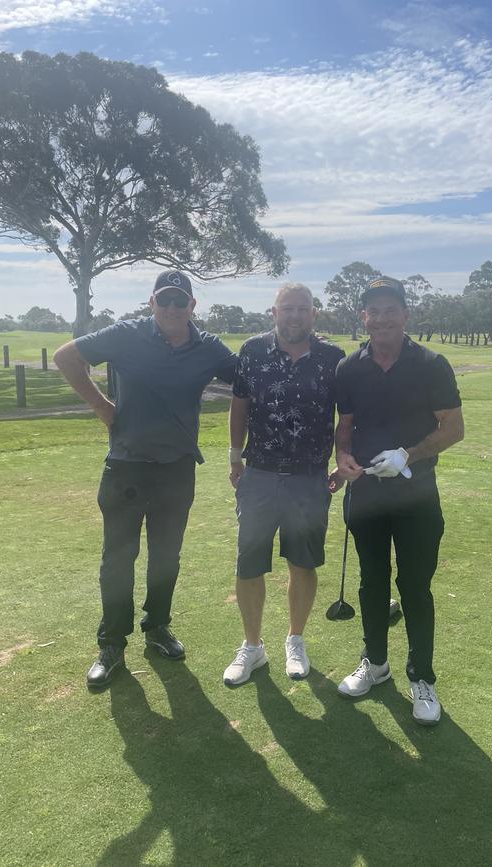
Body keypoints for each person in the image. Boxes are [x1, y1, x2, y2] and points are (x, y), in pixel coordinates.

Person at [54, 270, 236, 688]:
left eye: (181, 302)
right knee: (117, 559)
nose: (172, 308)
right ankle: (112, 643)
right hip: (127, 465)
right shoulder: (126, 334)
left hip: (177, 468)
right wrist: (103, 407)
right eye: (165, 300)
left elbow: (248, 378)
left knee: (166, 557)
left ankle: (157, 628)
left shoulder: (207, 346)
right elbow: (67, 357)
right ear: (151, 302)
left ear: (192, 306)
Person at [334, 276, 464, 724]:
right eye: (375, 310)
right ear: (364, 317)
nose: (383, 317)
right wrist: (345, 457)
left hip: (417, 497)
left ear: (406, 315)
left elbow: (453, 428)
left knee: (414, 587)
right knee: (372, 583)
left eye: (392, 309)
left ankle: (421, 677)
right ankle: (376, 663)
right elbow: (344, 426)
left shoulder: (431, 364)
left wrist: (409, 453)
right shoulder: (349, 368)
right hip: (367, 495)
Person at [224, 283, 345, 685]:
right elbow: (239, 405)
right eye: (287, 308)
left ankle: (295, 639)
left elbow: (347, 415)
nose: (295, 315)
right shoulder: (252, 352)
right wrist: (234, 456)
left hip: (309, 477)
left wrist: (342, 459)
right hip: (259, 474)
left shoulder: (332, 358)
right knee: (250, 562)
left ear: (314, 314)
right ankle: (252, 647)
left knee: (303, 561)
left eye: (302, 309)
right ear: (273, 313)